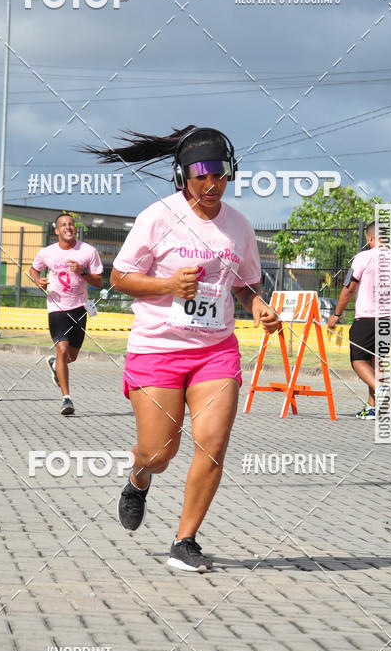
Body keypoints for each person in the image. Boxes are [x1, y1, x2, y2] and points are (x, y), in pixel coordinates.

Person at [87, 126, 279, 572]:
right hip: (158, 349)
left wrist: (259, 306)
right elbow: (119, 277)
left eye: (222, 174)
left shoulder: (239, 225)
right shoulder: (158, 217)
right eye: (202, 175)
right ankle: (138, 478)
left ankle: (185, 540)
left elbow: (247, 283)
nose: (213, 184)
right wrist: (168, 284)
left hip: (216, 351)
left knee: (212, 443)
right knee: (158, 453)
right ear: (182, 176)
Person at [326, 220, 391, 418]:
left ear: (370, 238)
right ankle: (373, 408)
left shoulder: (363, 257)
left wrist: (336, 314)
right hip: (390, 318)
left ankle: (382, 389)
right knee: (375, 360)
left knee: (358, 361)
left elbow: (349, 289)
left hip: (367, 318)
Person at [28, 214, 103, 415]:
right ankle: (66, 399)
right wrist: (37, 281)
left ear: (75, 228)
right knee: (62, 349)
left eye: (70, 224)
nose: (68, 227)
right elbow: (33, 270)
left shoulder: (89, 251)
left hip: (79, 307)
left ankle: (54, 365)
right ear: (57, 230)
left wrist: (82, 272)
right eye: (63, 225)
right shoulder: (47, 252)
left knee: (72, 356)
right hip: (56, 307)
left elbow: (98, 282)